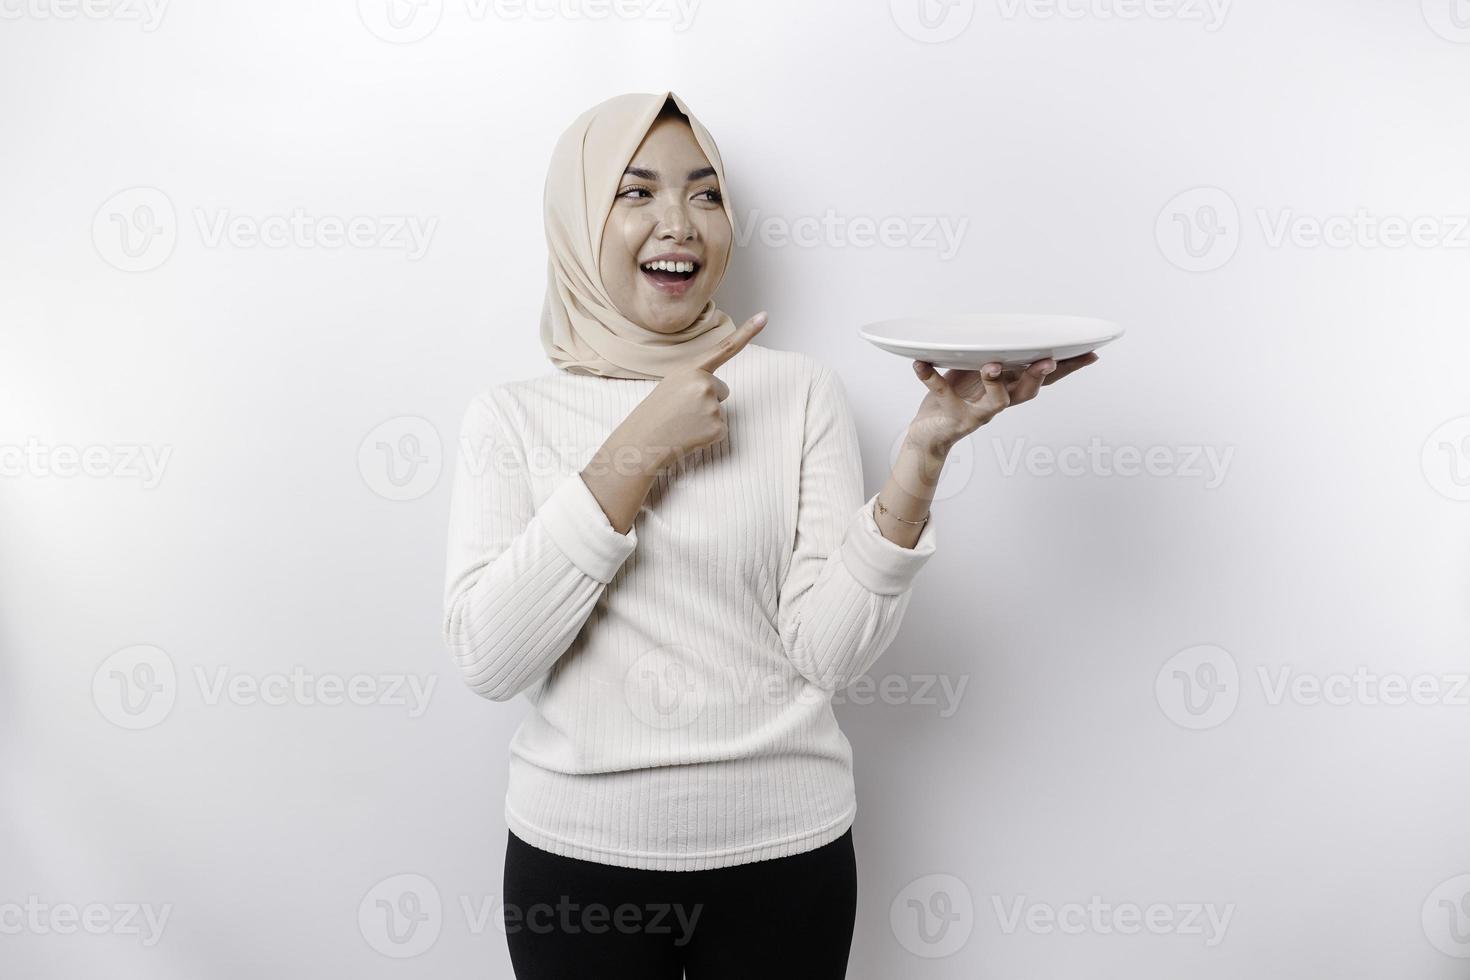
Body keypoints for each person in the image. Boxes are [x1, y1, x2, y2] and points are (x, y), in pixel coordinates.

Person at [440, 89, 1096, 980]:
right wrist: (633, 453)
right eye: (636, 193)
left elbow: (823, 654)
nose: (680, 223)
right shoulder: (509, 418)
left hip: (786, 861)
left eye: (704, 194)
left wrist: (923, 453)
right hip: (578, 869)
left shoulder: (797, 392)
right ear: (576, 219)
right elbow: (489, 657)